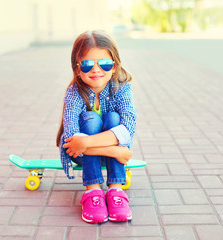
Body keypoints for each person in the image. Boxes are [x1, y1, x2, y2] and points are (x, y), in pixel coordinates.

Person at [56, 30, 136, 223]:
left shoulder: (121, 88)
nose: (96, 69)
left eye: (105, 63)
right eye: (87, 64)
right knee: (91, 119)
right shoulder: (74, 92)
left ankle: (116, 190)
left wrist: (88, 143)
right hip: (81, 155)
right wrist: (116, 152)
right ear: (77, 69)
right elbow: (72, 140)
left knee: (114, 118)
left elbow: (128, 128)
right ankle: (93, 191)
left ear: (114, 67)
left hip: (93, 149)